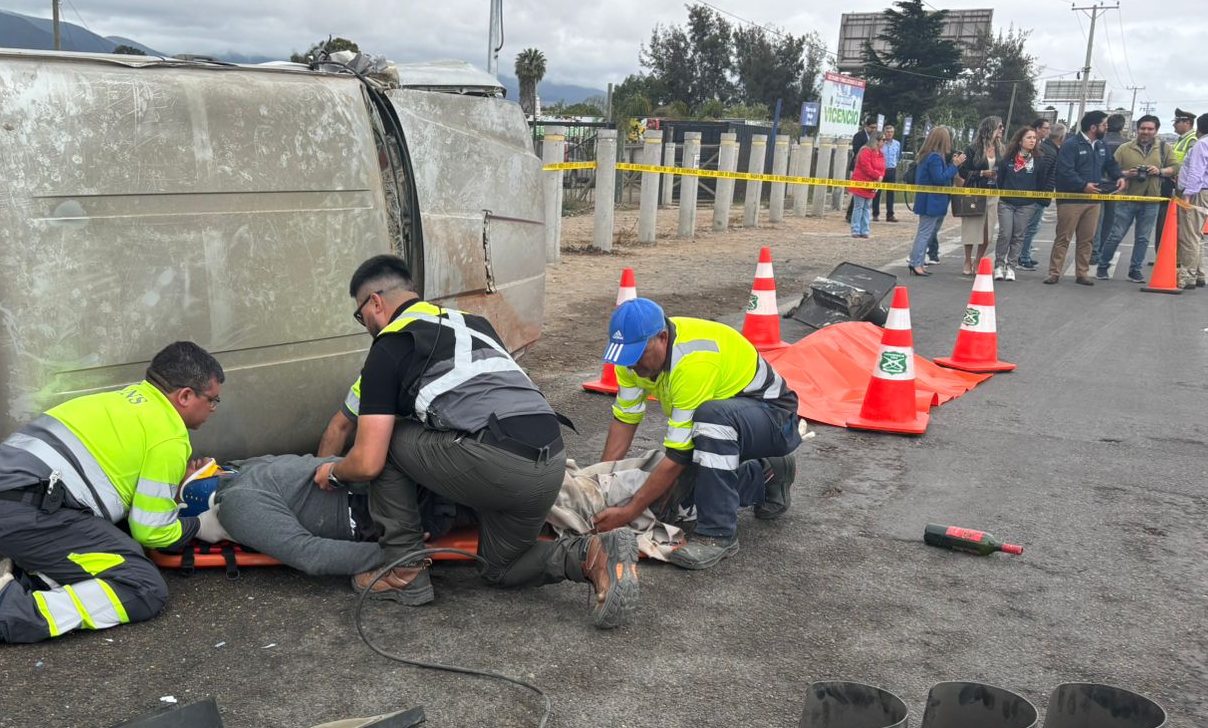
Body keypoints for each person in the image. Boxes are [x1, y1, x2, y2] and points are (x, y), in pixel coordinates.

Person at [316, 255, 639, 626]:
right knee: (502, 567)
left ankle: (404, 572)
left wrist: (333, 472)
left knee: (383, 442)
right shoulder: (475, 324)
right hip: (549, 464)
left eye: (362, 316)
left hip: (498, 463)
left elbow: (368, 459)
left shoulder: (389, 347)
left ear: (375, 302)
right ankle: (593, 553)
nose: (366, 325)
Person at [0, 342, 224, 661]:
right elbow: (151, 531)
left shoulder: (124, 401)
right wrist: (199, 525)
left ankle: (30, 577)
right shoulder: (168, 435)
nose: (213, 410)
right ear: (184, 396)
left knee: (119, 543)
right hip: (26, 514)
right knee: (144, 588)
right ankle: (11, 613)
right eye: (212, 400)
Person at [592, 298, 800, 570]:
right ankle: (767, 475)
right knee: (673, 501)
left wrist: (629, 512)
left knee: (711, 420)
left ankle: (717, 534)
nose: (632, 366)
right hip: (729, 426)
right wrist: (602, 483)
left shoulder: (692, 360)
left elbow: (678, 454)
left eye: (638, 356)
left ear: (662, 338)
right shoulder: (630, 359)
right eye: (625, 358)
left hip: (773, 417)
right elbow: (625, 420)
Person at [1045, 110, 1124, 286]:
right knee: (1063, 238)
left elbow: (1110, 164)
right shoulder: (1072, 144)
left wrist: (1119, 176)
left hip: (1093, 200)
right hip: (1071, 199)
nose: (1107, 127)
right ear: (1093, 127)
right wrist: (1083, 186)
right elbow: (1065, 170)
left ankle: (1082, 273)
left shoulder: (1101, 144)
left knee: (1087, 239)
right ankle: (1054, 272)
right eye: (1104, 124)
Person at [1100, 114, 1167, 282]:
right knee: (1116, 234)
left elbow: (1175, 167)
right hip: (1127, 199)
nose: (1146, 132)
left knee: (1143, 238)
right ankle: (1102, 265)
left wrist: (1159, 171)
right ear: (1137, 129)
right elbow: (1110, 170)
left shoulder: (1165, 148)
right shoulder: (1124, 148)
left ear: (1156, 130)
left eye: (1150, 129)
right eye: (1143, 128)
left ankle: (1135, 269)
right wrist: (1126, 174)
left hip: (1151, 200)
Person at [1175, 111, 1208, 290]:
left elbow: (1196, 171)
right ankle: (1199, 274)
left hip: (1198, 192)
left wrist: (1188, 195)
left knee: (1189, 236)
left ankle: (1187, 276)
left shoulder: (1203, 143)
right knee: (1197, 235)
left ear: (1200, 127)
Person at [904, 126, 964, 277]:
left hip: (928, 199)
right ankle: (916, 263)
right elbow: (939, 179)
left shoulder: (926, 156)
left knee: (925, 232)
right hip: (932, 201)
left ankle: (917, 261)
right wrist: (954, 166)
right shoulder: (935, 157)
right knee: (925, 233)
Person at [992, 125, 1040, 280]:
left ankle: (1011, 266)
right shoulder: (1007, 160)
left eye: (1034, 138)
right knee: (1005, 233)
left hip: (1027, 205)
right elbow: (1000, 180)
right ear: (1020, 141)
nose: (1032, 140)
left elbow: (1042, 181)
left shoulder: (1038, 160)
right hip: (1006, 203)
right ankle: (999, 265)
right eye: (1029, 137)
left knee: (1018, 235)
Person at [956, 117, 1003, 276]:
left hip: (993, 193)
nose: (1002, 130)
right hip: (975, 192)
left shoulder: (1001, 149)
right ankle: (967, 260)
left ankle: (978, 260)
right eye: (999, 127)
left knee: (988, 231)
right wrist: (982, 173)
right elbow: (963, 172)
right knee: (971, 228)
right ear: (990, 129)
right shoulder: (972, 148)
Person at [1018, 121, 1064, 270]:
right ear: (1061, 138)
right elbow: (1041, 174)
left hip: (1039, 194)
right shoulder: (1049, 151)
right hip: (1038, 195)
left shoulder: (1047, 149)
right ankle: (1023, 257)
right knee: (1031, 228)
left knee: (1031, 227)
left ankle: (1025, 255)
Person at [1156, 109, 1198, 249]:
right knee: (1170, 222)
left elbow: (1191, 166)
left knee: (1178, 224)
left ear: (1187, 123)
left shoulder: (1192, 140)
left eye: (1177, 122)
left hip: (1181, 187)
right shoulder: (1182, 140)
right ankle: (1167, 255)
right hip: (1174, 185)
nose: (1174, 126)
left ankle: (1175, 258)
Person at [1095, 114, 1127, 255]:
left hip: (1097, 185)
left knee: (1096, 220)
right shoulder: (1126, 145)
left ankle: (1093, 251)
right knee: (1110, 221)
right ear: (1122, 127)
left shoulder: (1098, 142)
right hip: (1116, 187)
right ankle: (1102, 250)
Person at [848, 136, 886, 238]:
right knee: (859, 206)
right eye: (883, 140)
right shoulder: (866, 151)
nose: (884, 142)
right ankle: (855, 230)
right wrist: (877, 176)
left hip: (873, 183)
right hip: (861, 182)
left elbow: (882, 167)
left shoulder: (881, 154)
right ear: (876, 141)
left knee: (867, 208)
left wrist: (880, 176)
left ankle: (865, 230)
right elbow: (866, 167)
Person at [845, 118, 877, 221]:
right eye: (872, 127)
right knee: (857, 192)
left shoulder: (874, 138)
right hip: (857, 166)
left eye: (875, 128)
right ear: (866, 126)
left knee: (863, 194)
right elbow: (856, 149)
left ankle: (856, 215)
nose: (873, 130)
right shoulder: (859, 136)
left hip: (869, 167)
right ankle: (850, 214)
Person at [879, 125, 903, 221]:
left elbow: (897, 156)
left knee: (890, 193)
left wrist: (894, 164)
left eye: (891, 132)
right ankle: (875, 213)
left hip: (891, 169)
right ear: (884, 132)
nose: (889, 134)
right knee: (877, 192)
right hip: (880, 169)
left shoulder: (897, 143)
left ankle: (890, 215)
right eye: (888, 132)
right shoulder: (880, 143)